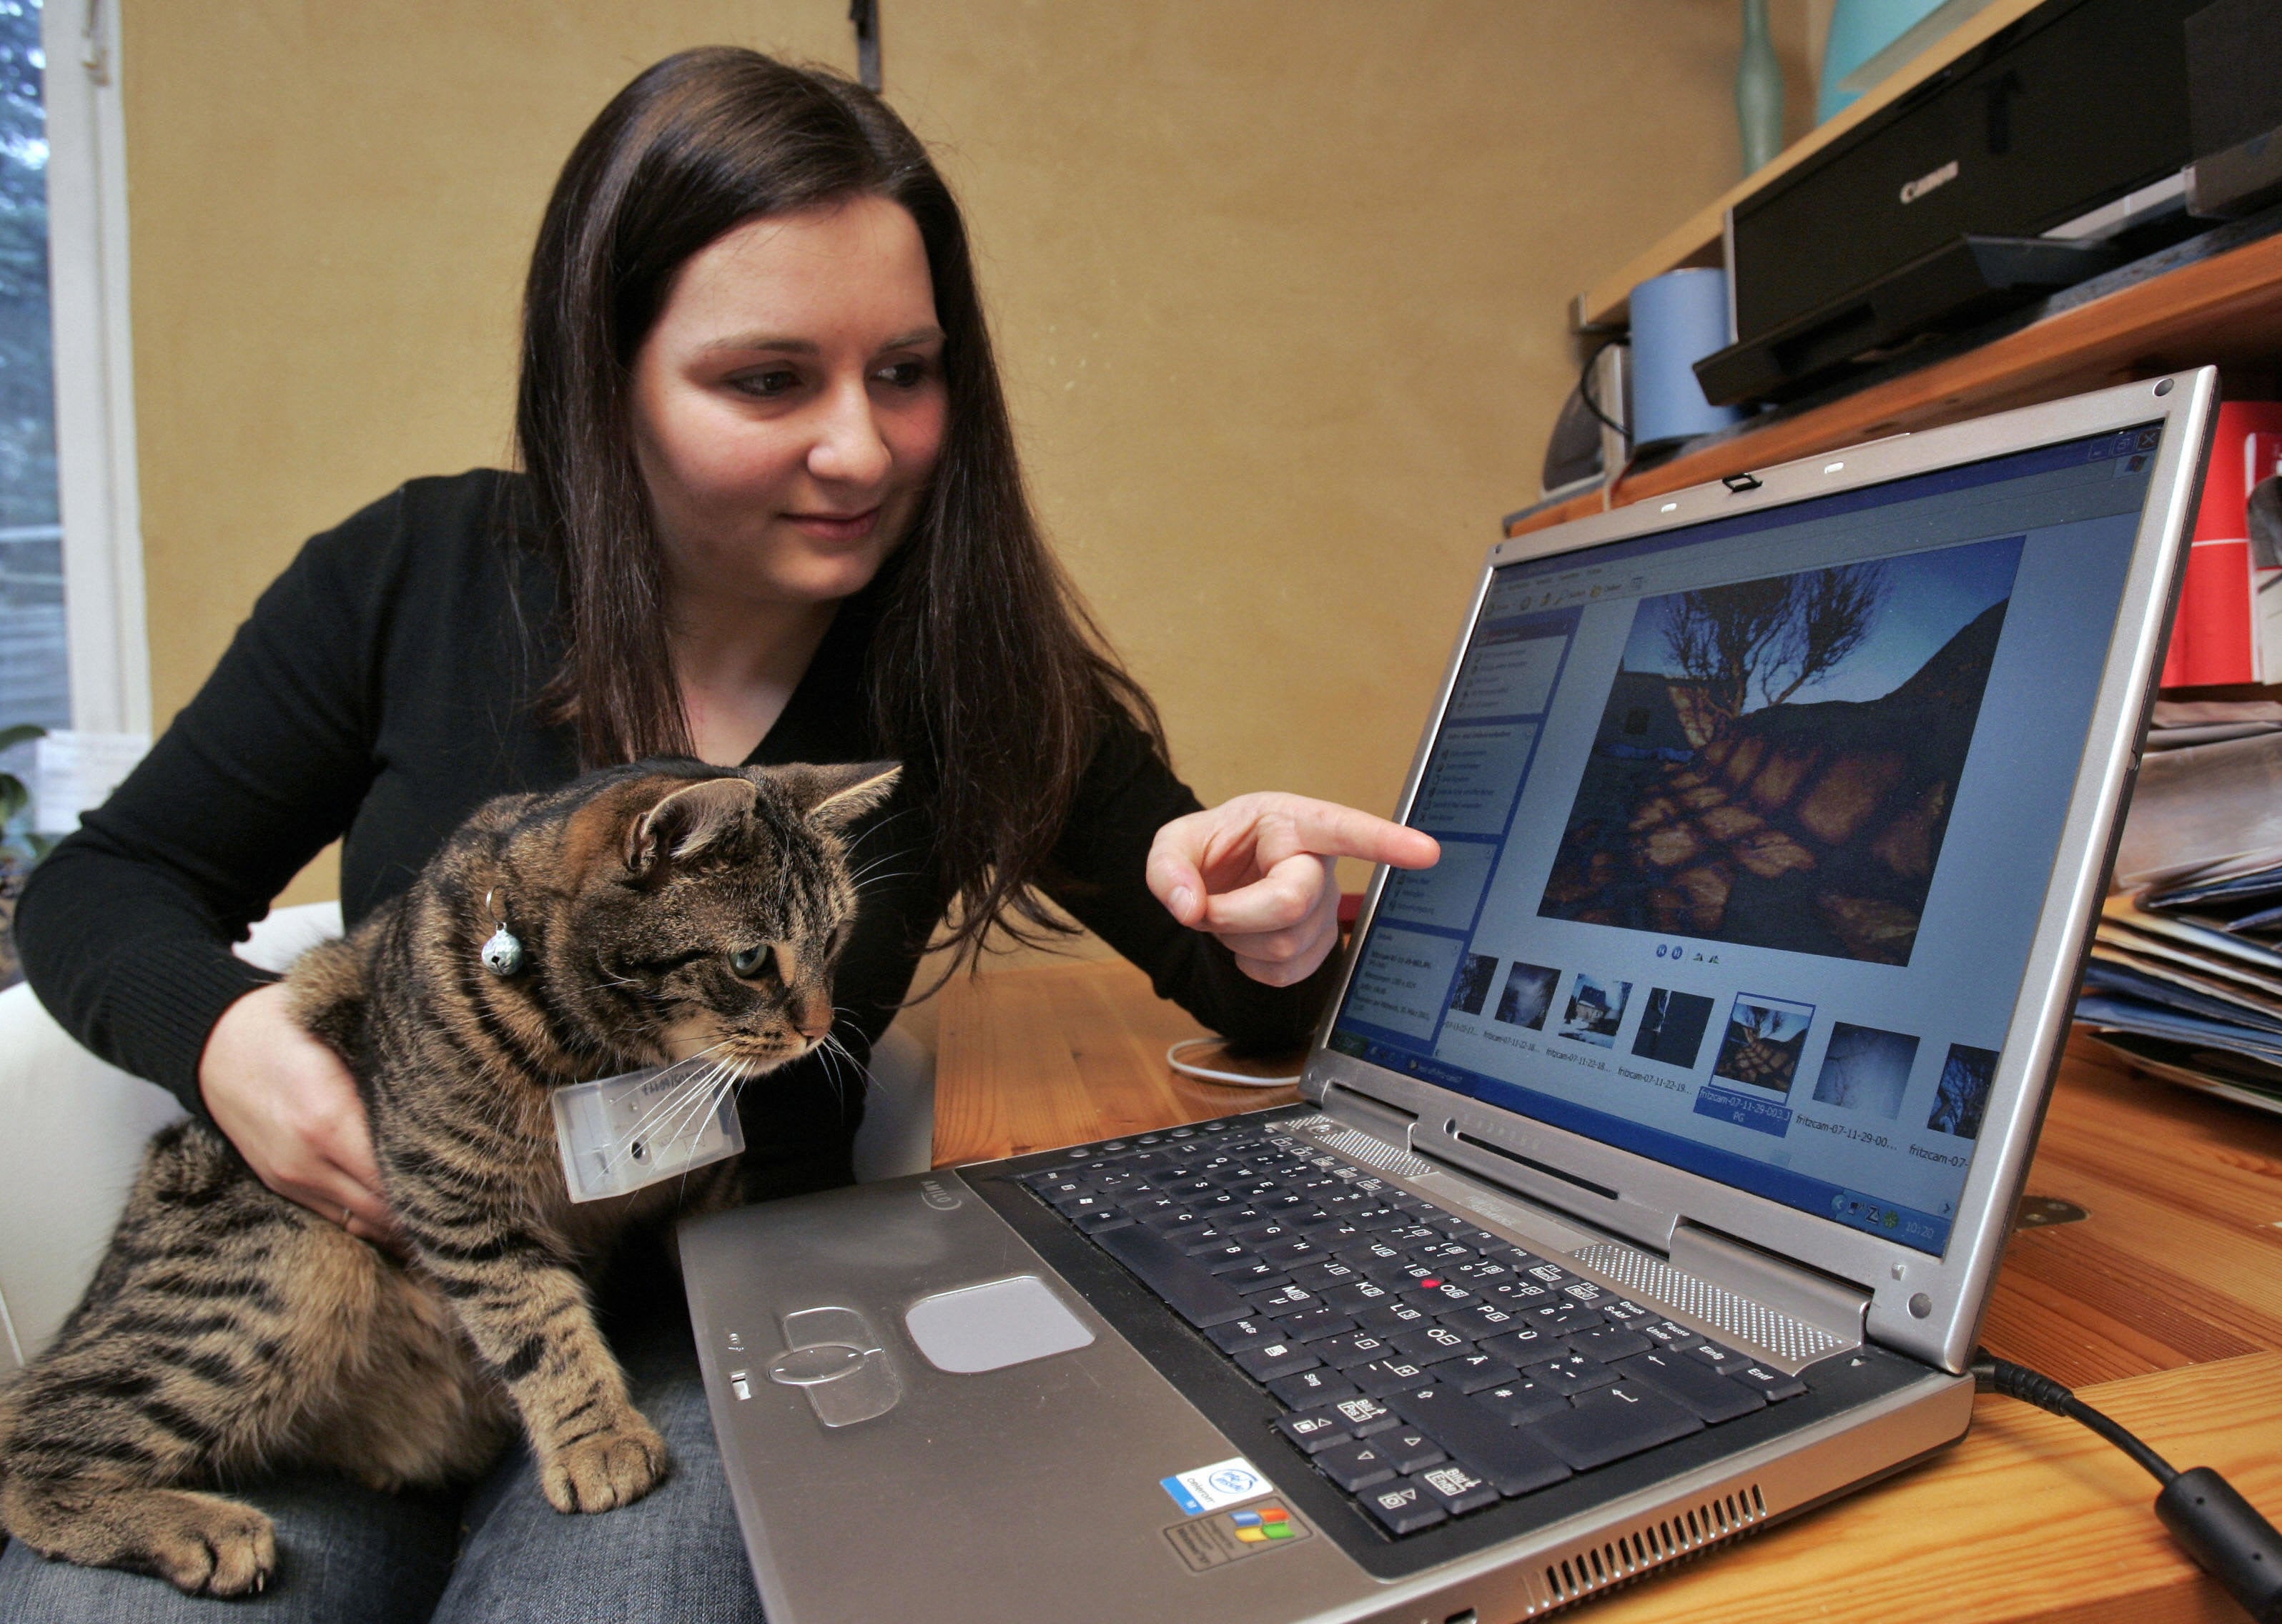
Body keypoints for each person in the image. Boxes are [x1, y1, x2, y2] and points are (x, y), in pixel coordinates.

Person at [1, 47, 1436, 1622]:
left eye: (907, 369)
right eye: (770, 381)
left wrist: (1274, 922)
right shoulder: (407, 574)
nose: (864, 449)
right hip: (365, 1317)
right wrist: (227, 1044)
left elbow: (1251, 986)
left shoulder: (966, 665)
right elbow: (104, 887)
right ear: (603, 369)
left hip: (712, 1327)